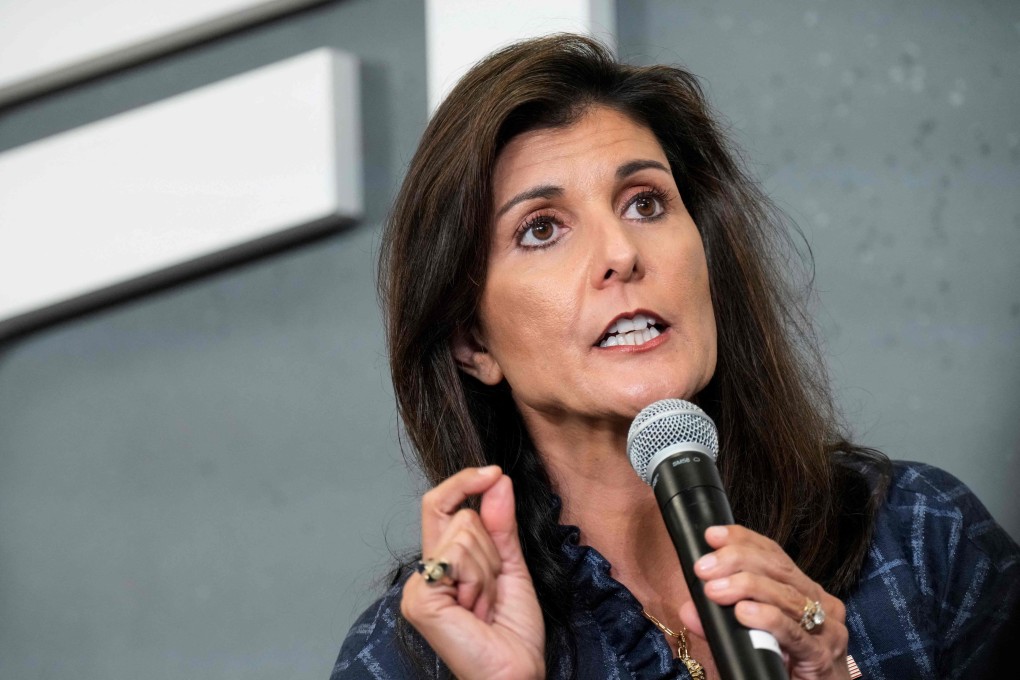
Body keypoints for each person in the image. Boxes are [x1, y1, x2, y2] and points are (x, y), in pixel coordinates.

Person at [332, 34, 1019, 679]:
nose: (622, 255)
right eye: (542, 229)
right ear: (472, 341)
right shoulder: (412, 658)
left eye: (645, 203)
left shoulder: (920, 541)